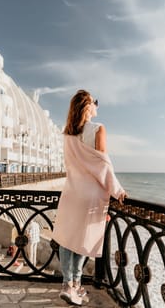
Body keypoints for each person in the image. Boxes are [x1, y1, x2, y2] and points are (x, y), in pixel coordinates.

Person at [52, 89, 127, 306]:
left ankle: (70, 285)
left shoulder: (67, 134)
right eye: (95, 102)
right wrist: (118, 191)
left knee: (68, 240)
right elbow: (103, 167)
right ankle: (74, 284)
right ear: (87, 106)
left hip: (71, 192)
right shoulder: (98, 129)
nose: (97, 106)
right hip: (90, 196)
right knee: (83, 242)